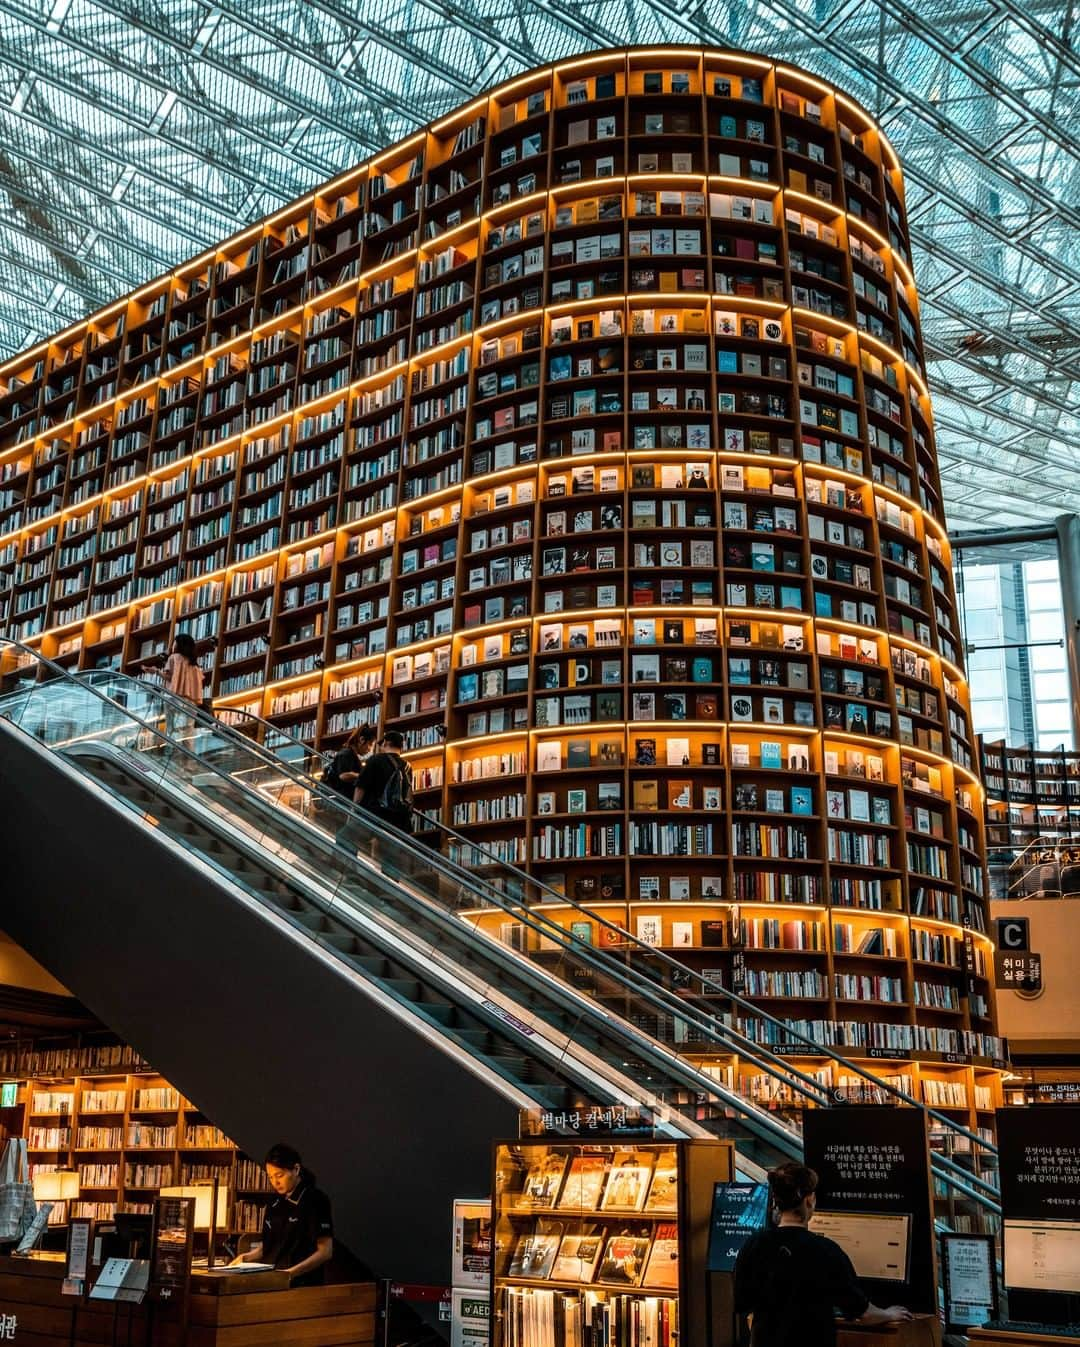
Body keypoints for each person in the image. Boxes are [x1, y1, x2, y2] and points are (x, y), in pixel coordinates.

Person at [734, 1162, 912, 1347]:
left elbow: (742, 1303)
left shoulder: (753, 1244)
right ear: (809, 1200)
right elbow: (863, 1313)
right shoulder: (826, 1250)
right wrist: (889, 1314)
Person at [234, 1143, 333, 1286]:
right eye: (270, 1177)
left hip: (302, 1284)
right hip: (270, 1281)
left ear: (296, 1169)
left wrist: (289, 1273)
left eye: (279, 1175)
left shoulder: (315, 1200)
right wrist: (245, 1258)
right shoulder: (274, 1201)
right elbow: (269, 1246)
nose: (275, 1182)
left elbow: (325, 1252)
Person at [352, 731, 414, 834]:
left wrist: (354, 809)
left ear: (385, 742)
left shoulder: (375, 760)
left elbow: (360, 787)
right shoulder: (407, 766)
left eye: (381, 744)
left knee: (344, 837)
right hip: (400, 819)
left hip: (375, 815)